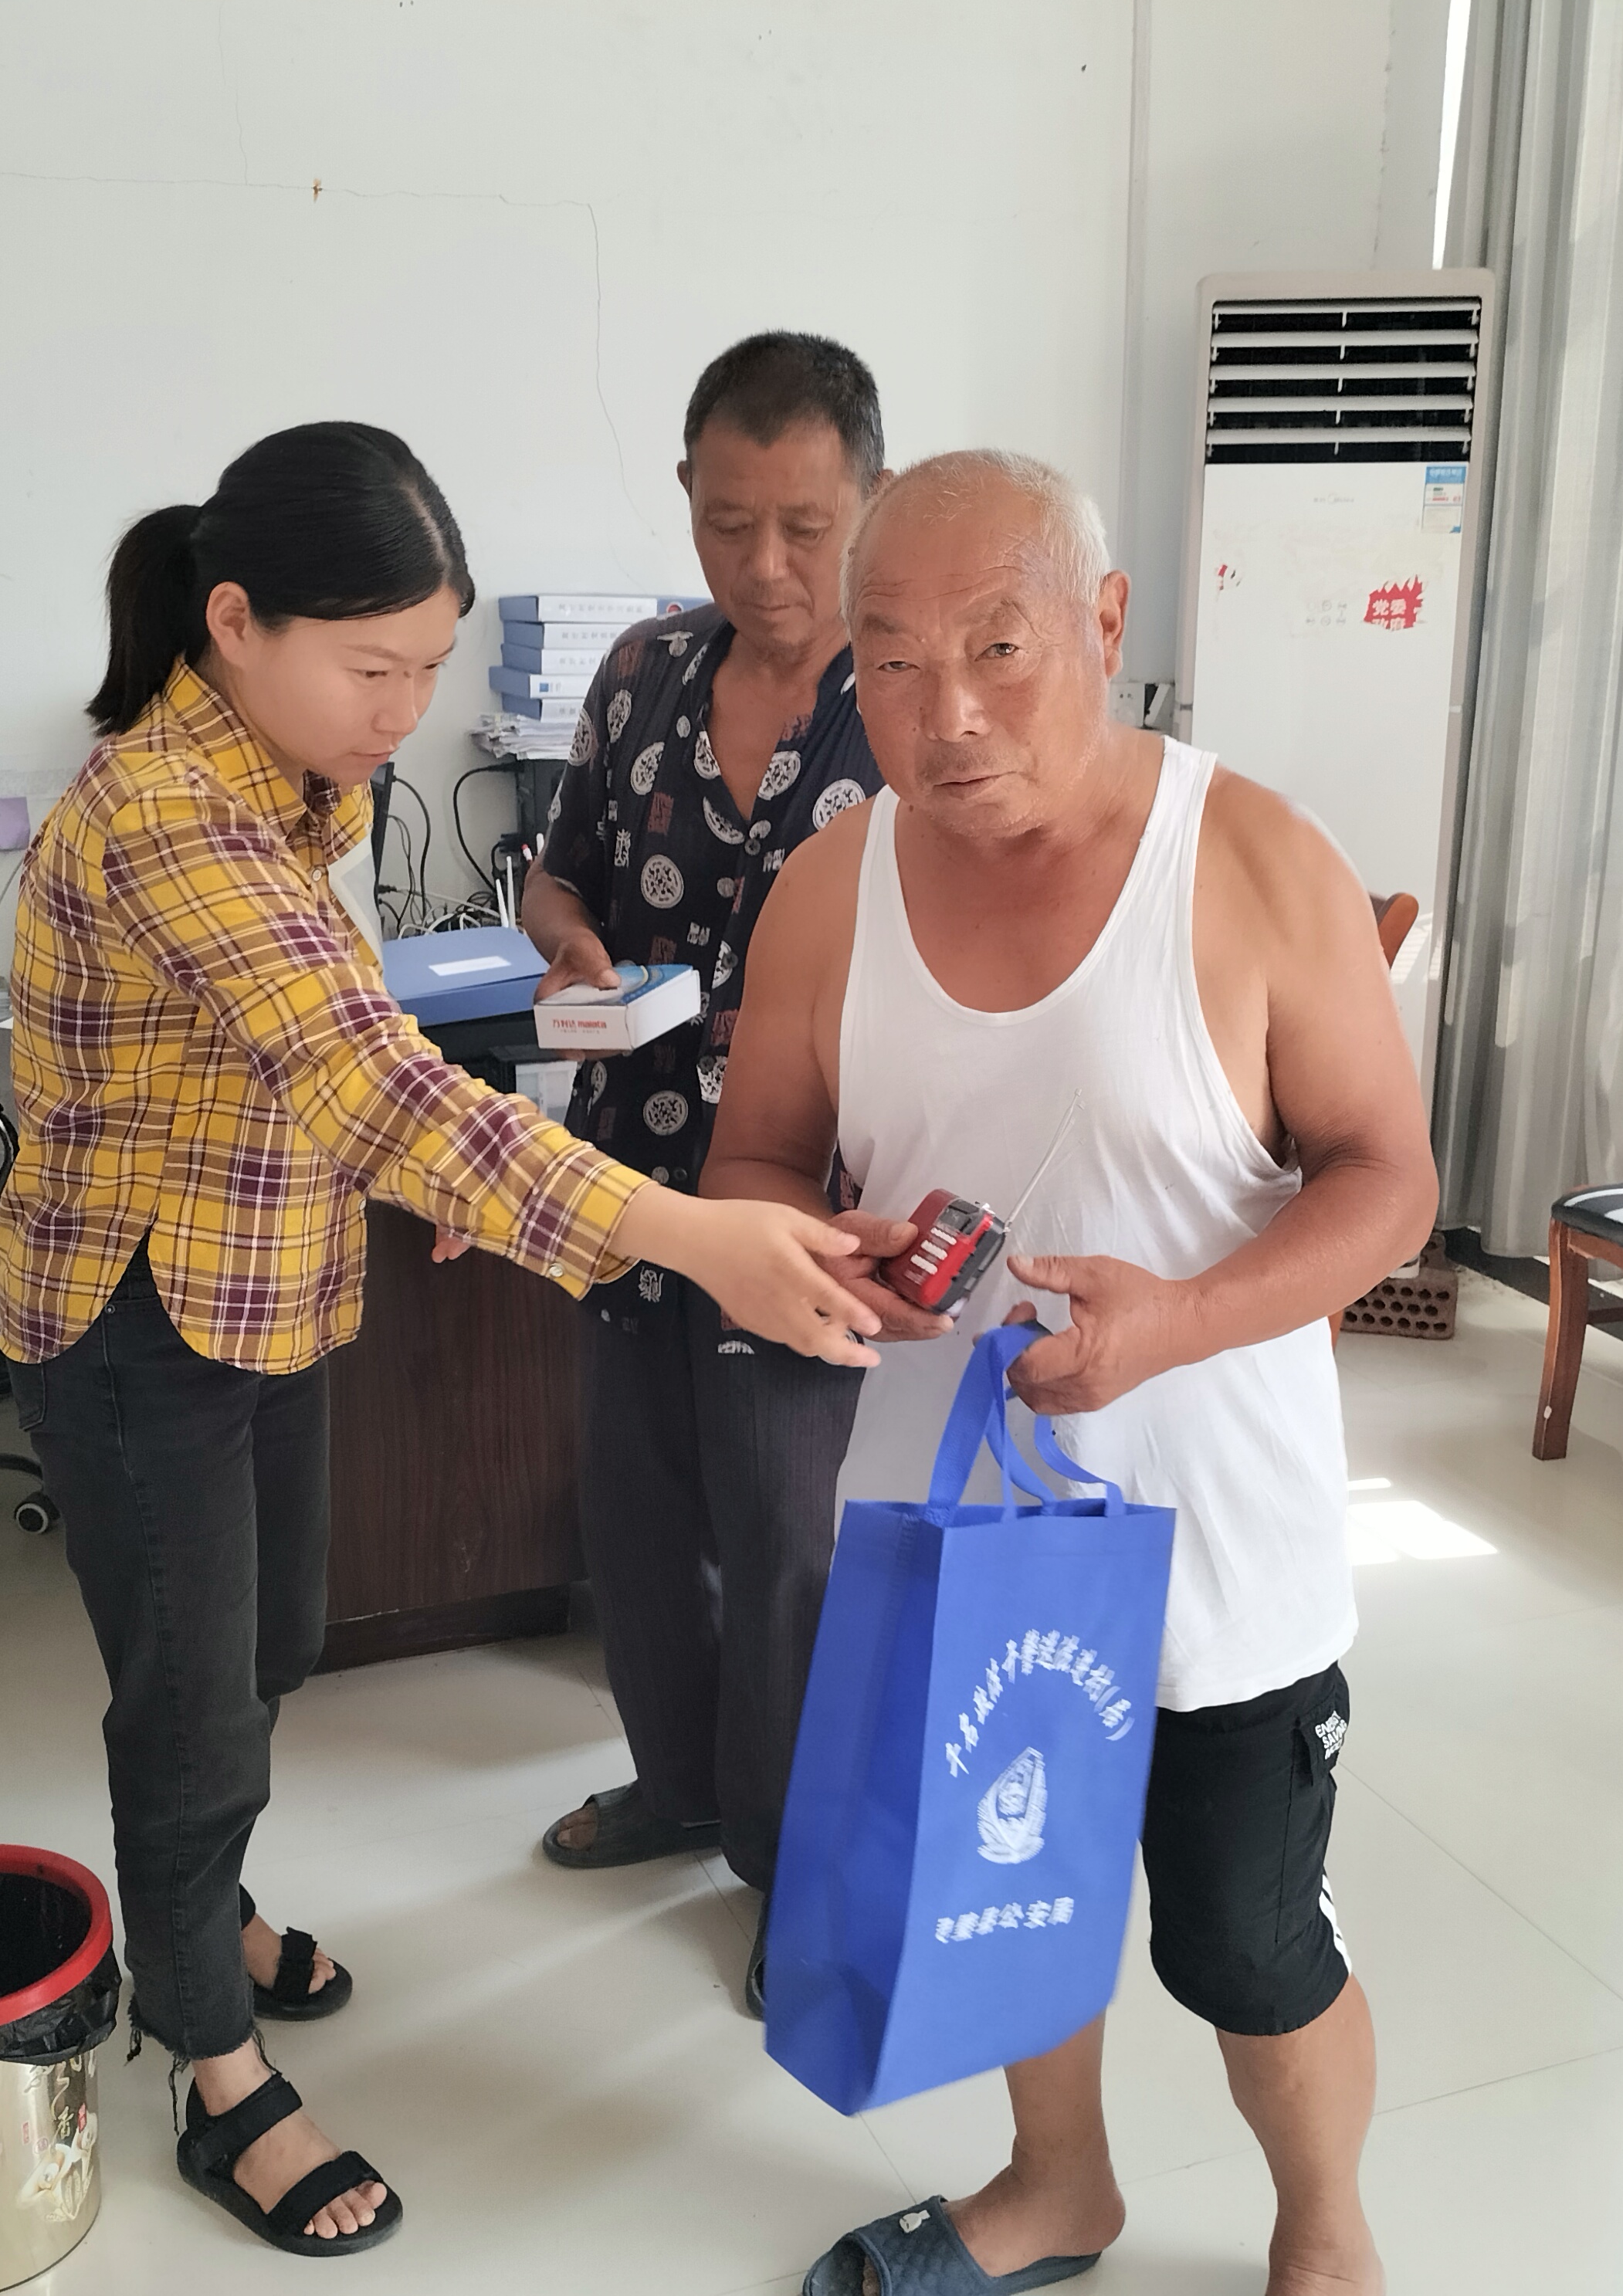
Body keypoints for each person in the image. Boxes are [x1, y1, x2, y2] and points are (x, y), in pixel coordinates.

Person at [0, 421, 884, 2261]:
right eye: (372, 667)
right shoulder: (168, 811)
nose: (404, 712)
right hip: (136, 1318)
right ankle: (209, 2062)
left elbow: (329, 1057)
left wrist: (465, 1173)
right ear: (233, 623)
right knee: (191, 1704)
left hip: (260, 1286)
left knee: (270, 1645)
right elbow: (363, 1081)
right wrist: (685, 1236)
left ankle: (204, 1910)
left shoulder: (283, 771)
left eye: (427, 668)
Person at [702, 449, 1435, 2296]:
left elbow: (1388, 1184)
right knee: (1010, 1898)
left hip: (1217, 1550)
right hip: (958, 1538)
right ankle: (1058, 2184)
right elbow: (756, 1163)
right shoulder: (830, 890)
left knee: (1246, 1944)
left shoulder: (1251, 861)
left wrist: (1172, 1324)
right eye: (888, 662)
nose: (942, 715)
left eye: (997, 649)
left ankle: (1324, 2224)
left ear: (1104, 625)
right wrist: (821, 1259)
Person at [521, 334, 920, 2003]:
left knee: (783, 1543)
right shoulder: (641, 674)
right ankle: (678, 1784)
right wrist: (570, 948)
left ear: (870, 502)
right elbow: (555, 872)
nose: (763, 567)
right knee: (635, 1511)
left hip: (807, 1197)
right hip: (632, 1178)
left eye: (805, 528)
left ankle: (792, 1862)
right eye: (725, 523)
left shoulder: (915, 704)